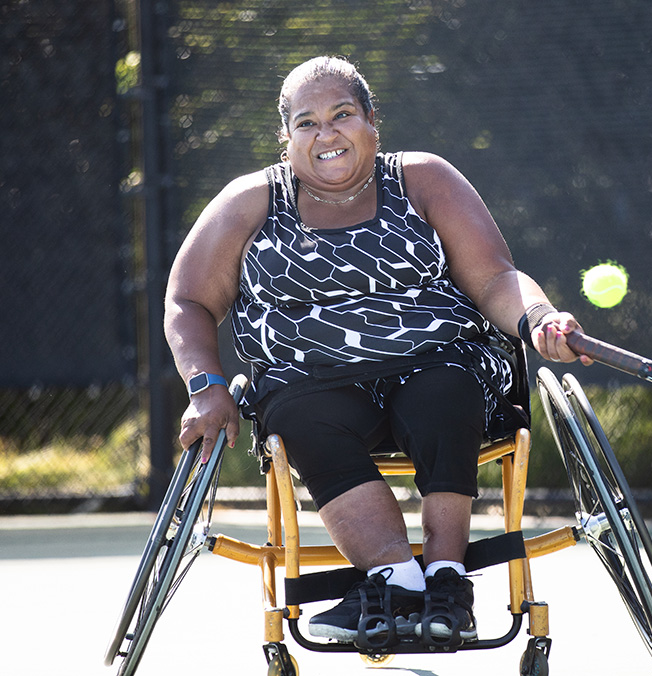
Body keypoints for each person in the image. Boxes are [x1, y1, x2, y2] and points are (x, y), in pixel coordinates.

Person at [164, 55, 590, 645]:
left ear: (371, 120)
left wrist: (540, 318)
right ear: (286, 139)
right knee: (293, 413)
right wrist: (206, 387)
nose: (326, 133)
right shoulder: (251, 201)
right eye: (306, 122)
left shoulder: (423, 178)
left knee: (445, 386)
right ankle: (395, 578)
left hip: (439, 363)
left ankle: (446, 576)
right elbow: (188, 300)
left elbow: (495, 279)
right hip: (313, 385)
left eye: (342, 115)